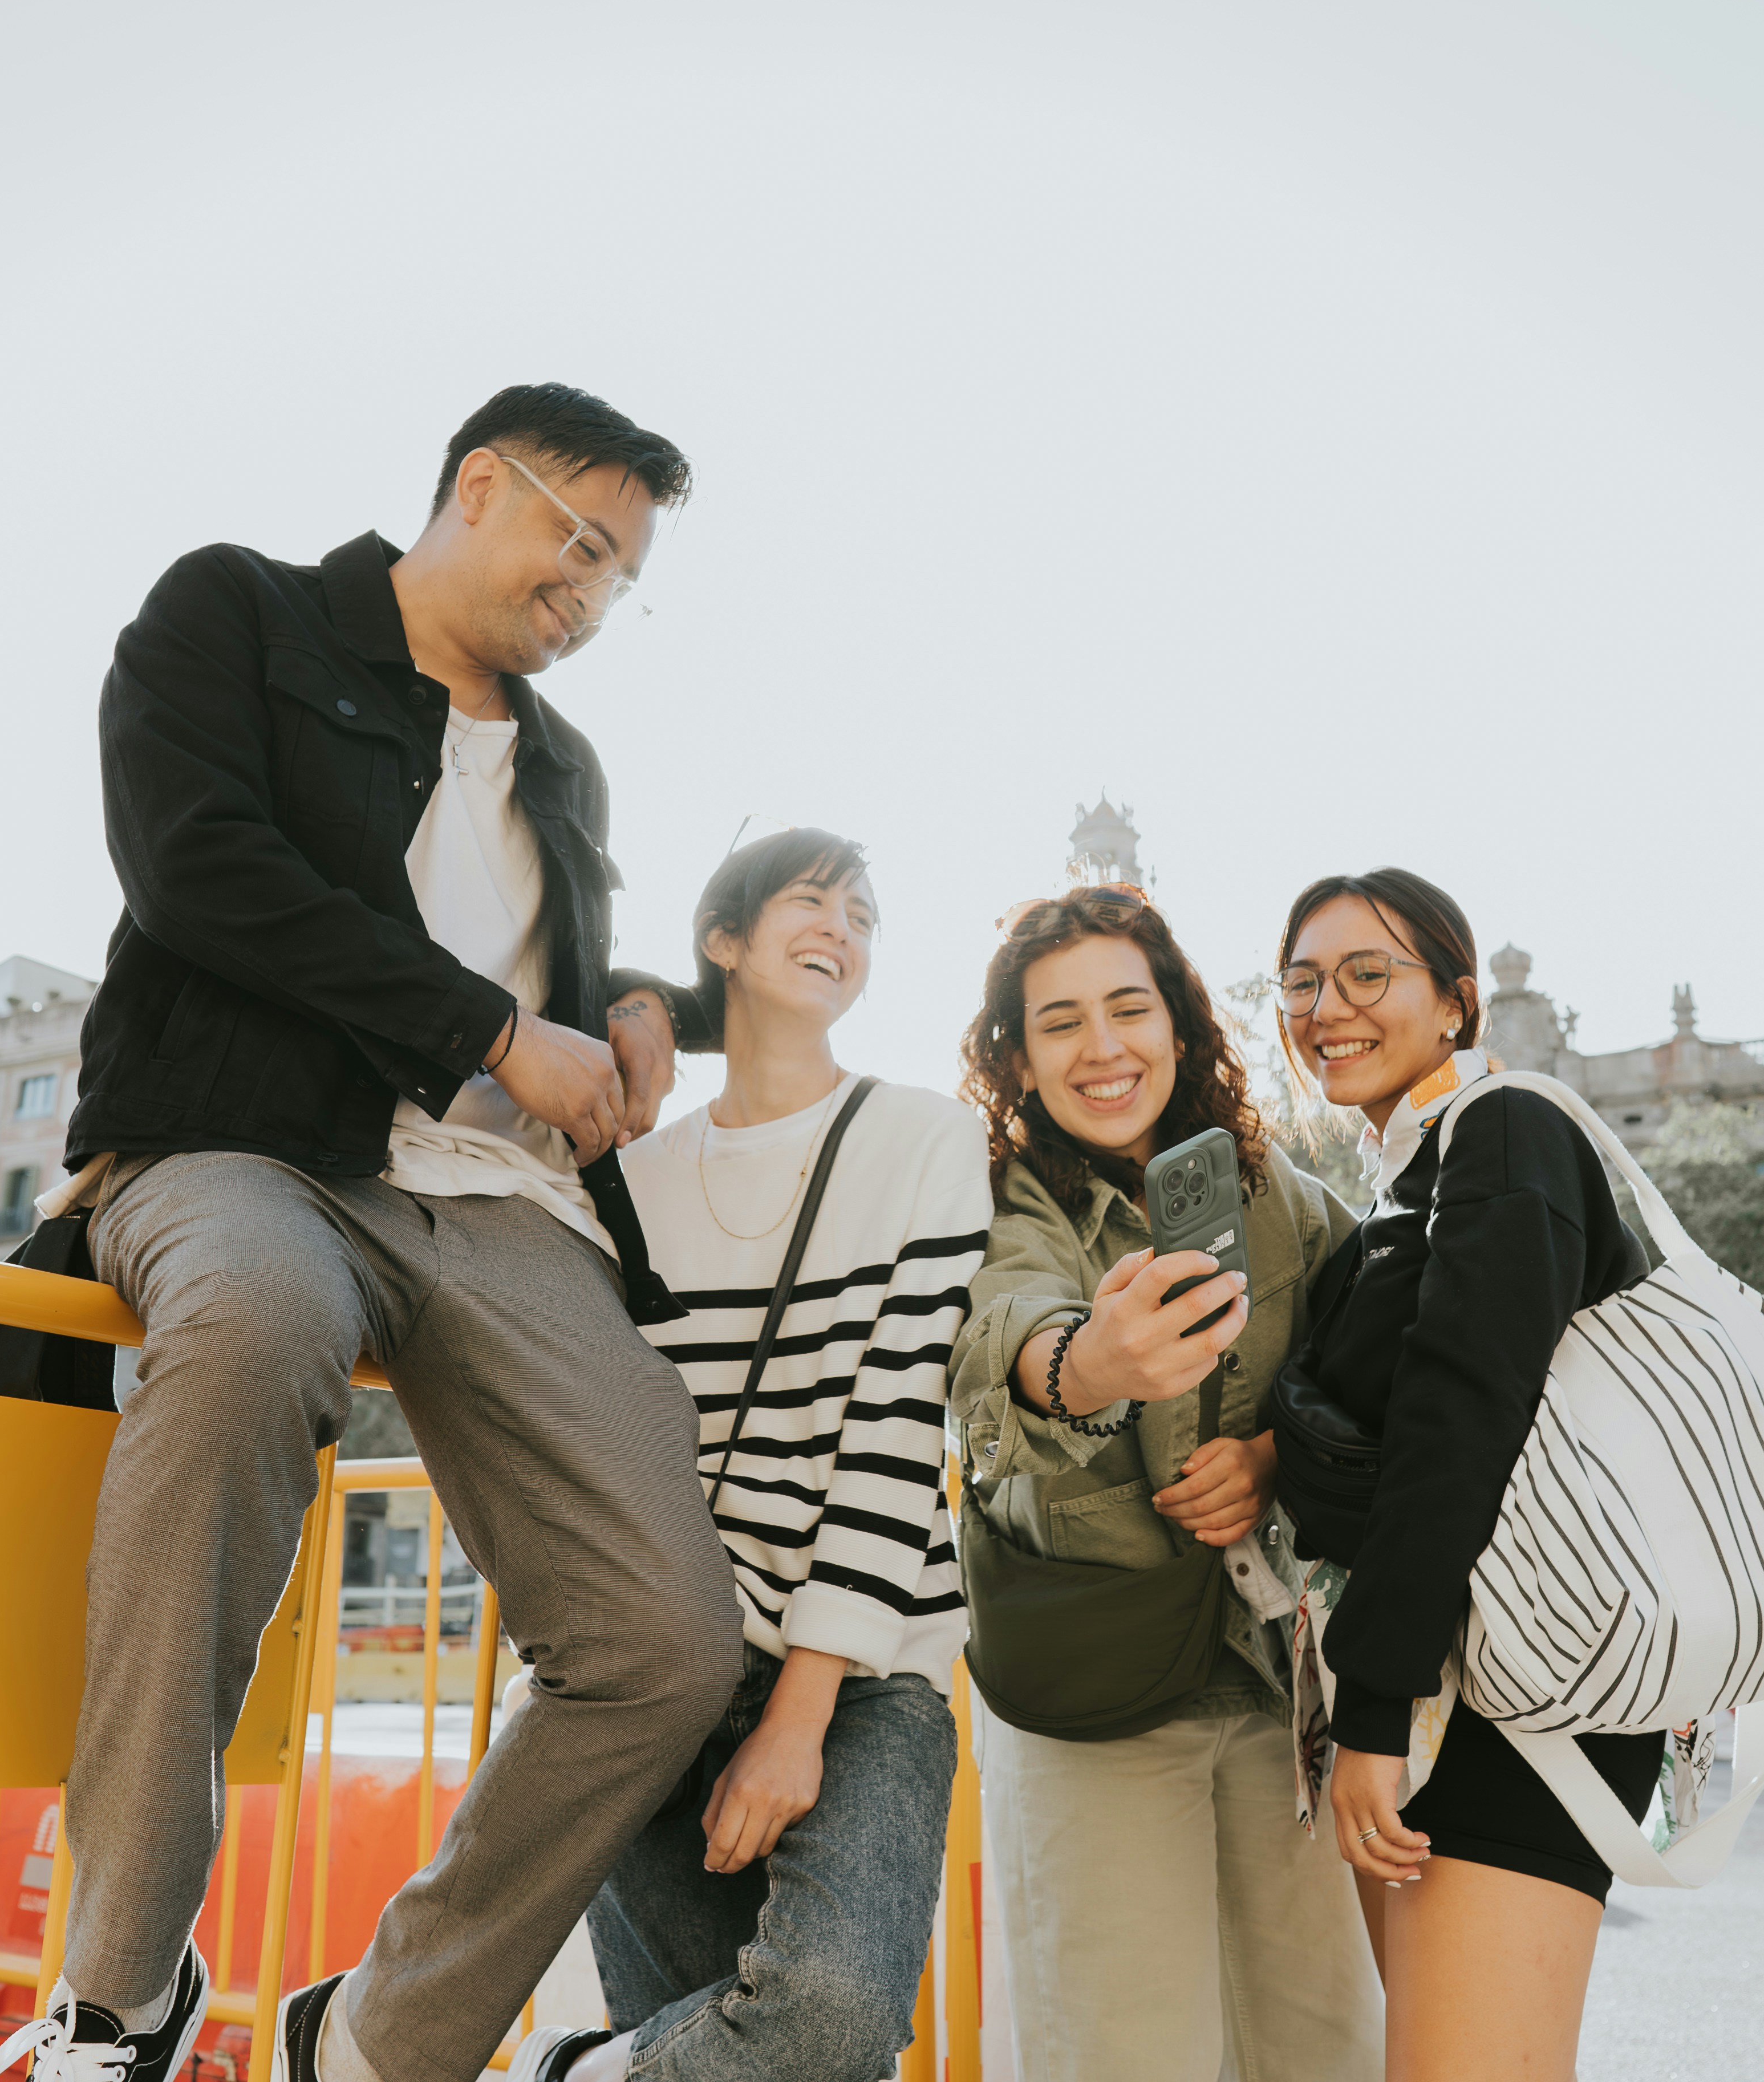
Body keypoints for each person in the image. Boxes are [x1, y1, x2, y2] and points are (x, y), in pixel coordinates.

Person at [0, 384, 745, 2082]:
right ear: (483, 484)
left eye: (625, 575)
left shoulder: (566, 762)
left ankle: (383, 2040)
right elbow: (202, 871)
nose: (597, 594)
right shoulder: (235, 612)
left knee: (667, 1640)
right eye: (584, 542)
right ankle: (117, 1997)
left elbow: (564, 969)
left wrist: (629, 1008)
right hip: (236, 1145)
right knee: (254, 1320)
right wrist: (490, 1034)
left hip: (491, 1204)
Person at [518, 829, 987, 2082]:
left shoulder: (927, 1141)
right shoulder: (626, 1176)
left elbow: (896, 1426)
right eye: (812, 898)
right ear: (723, 939)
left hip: (870, 1662)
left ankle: (571, 2073)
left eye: (867, 913)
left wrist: (799, 1712)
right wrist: (631, 1009)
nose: (845, 924)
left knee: (829, 2018)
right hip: (658, 1664)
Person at [947, 885, 1381, 2082]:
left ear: (1181, 1027)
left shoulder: (1276, 1194)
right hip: (1093, 1690)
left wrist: (1273, 1455)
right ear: (1020, 1059)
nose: (1104, 1046)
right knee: (1124, 2044)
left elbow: (1376, 1337)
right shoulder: (992, 1197)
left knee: (1326, 2035)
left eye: (1130, 1007)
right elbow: (1006, 1333)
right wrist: (1087, 1363)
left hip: (1265, 1679)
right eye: (1061, 1021)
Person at [1268, 868, 1657, 2081]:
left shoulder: (1508, 1129)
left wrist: (1373, 1712)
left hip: (1513, 1705)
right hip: (1451, 1689)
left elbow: (1461, 1422)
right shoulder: (1409, 1177)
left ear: (1456, 1002)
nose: (1327, 1004)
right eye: (1301, 980)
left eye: (1368, 973)